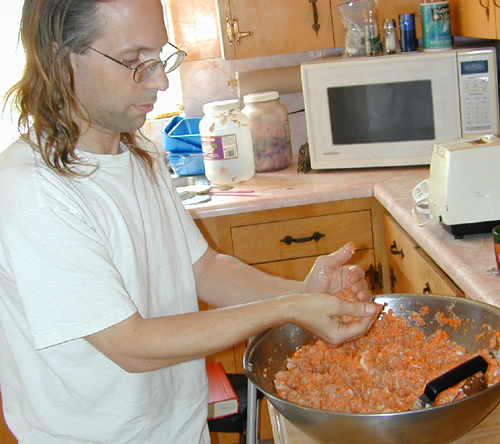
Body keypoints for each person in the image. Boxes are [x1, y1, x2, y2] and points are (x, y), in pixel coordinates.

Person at [0, 0, 377, 443]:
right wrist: (288, 309)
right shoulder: (32, 189)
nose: (159, 80)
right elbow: (130, 344)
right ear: (60, 59)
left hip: (179, 428)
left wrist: (302, 291)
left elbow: (203, 269)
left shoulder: (138, 152)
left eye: (159, 57)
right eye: (133, 62)